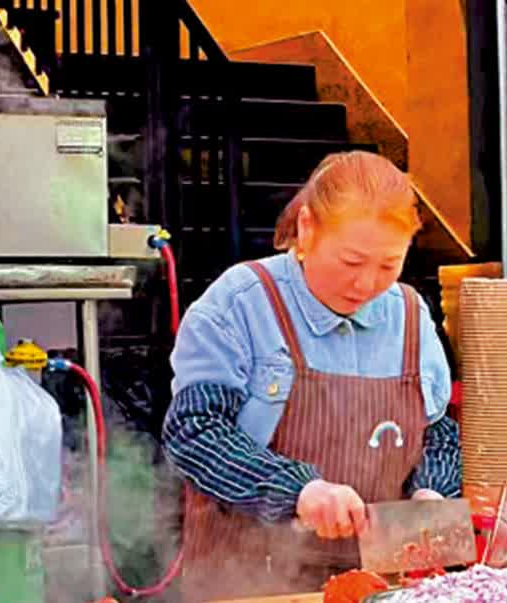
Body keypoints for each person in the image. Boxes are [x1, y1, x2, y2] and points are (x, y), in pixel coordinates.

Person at [163, 151, 461, 601]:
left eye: (388, 265)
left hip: (382, 587)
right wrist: (297, 491)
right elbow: (194, 432)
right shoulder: (241, 303)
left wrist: (432, 493)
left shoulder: (410, 316)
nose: (366, 284)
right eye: (351, 261)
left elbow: (438, 433)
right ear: (306, 228)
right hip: (250, 584)